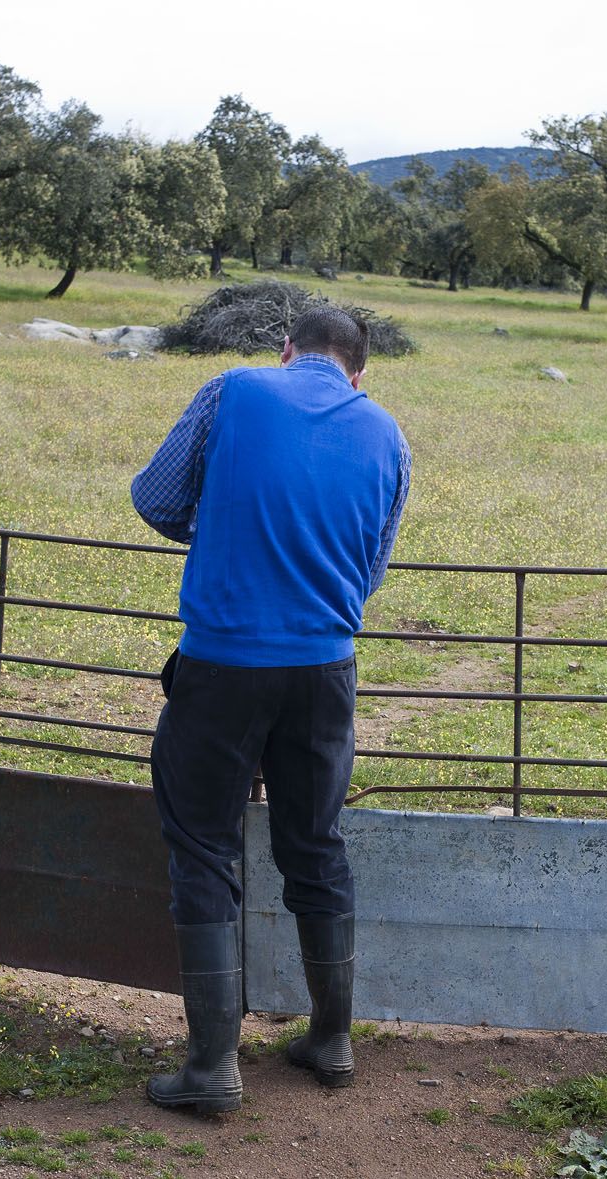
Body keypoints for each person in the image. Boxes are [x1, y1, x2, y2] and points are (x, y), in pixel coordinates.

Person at [130, 306, 410, 1113]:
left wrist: (225, 529)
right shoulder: (390, 436)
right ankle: (332, 1038)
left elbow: (154, 497)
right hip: (326, 668)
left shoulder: (232, 391)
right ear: (361, 372)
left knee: (201, 844)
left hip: (223, 662)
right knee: (316, 843)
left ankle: (213, 1066)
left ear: (285, 351)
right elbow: (373, 563)